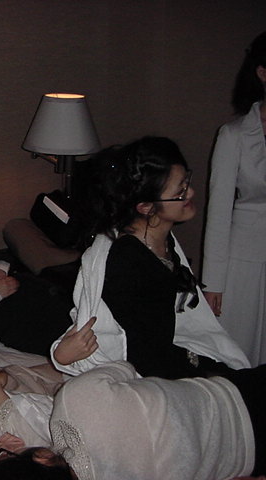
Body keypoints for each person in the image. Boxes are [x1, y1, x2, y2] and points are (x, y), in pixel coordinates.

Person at [48, 137, 266, 474]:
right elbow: (146, 356)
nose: (191, 193)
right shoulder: (128, 262)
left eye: (187, 182)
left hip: (179, 360)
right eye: (180, 191)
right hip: (164, 383)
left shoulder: (161, 241)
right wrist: (212, 379)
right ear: (146, 207)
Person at [0, 361, 265, 480]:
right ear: (40, 457)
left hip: (249, 457)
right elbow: (125, 368)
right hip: (235, 396)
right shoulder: (74, 400)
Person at [202, 31, 266, 367]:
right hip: (244, 259)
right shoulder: (235, 135)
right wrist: (213, 282)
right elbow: (218, 212)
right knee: (241, 354)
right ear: (263, 73)